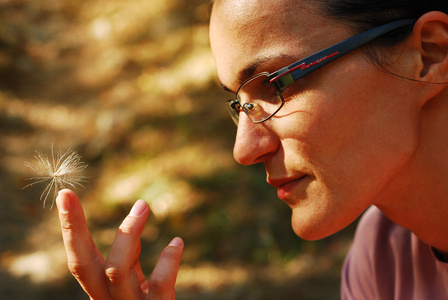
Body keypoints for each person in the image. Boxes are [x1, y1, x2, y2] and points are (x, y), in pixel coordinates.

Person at [56, 0, 448, 298]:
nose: (244, 150)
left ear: (429, 55)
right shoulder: (385, 260)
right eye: (239, 105)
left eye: (275, 85)